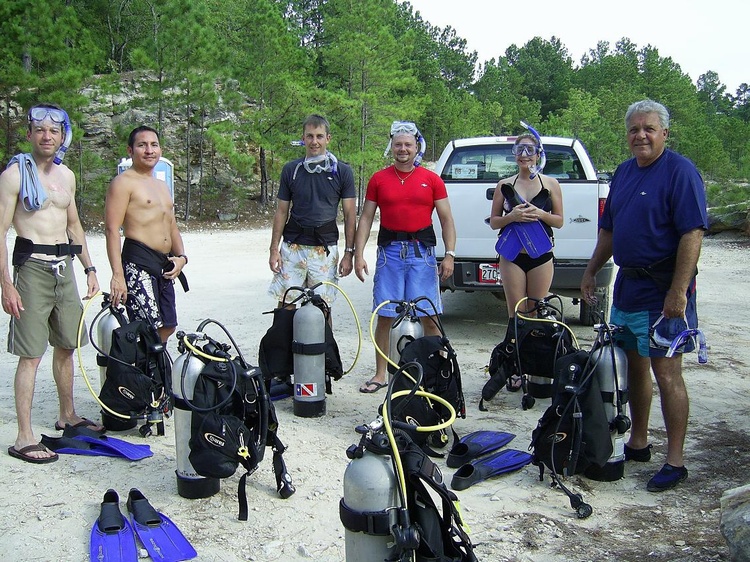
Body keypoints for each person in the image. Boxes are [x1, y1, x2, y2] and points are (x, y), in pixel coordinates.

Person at [581, 99, 708, 492]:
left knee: (667, 373)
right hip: (627, 288)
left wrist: (678, 291)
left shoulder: (680, 173)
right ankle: (638, 441)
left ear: (664, 133)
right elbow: (609, 232)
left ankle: (675, 460)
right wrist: (590, 271)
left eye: (649, 129)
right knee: (632, 366)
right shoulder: (622, 173)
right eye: (634, 129)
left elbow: (692, 234)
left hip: (663, 291)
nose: (641, 135)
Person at [0, 103, 102, 463]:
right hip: (31, 269)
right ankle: (24, 436)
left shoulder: (67, 176)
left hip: (65, 269)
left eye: (54, 131)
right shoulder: (14, 175)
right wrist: (6, 285)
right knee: (30, 355)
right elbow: (0, 233)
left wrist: (89, 268)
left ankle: (67, 415)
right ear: (28, 134)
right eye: (39, 130)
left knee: (66, 346)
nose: (47, 136)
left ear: (63, 136)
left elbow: (74, 225)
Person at [354, 121, 456, 393]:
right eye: (398, 144)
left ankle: (432, 373)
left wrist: (449, 255)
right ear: (392, 147)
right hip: (390, 255)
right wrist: (358, 253)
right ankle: (380, 374)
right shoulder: (379, 179)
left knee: (428, 315)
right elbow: (365, 218)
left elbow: (446, 220)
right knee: (385, 314)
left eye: (408, 145)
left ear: (416, 147)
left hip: (421, 254)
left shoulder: (432, 179)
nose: (402, 149)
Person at [488, 131, 563, 387]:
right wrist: (512, 217)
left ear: (539, 154)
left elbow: (560, 221)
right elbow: (494, 221)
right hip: (512, 257)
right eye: (519, 150)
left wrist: (540, 213)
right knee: (516, 313)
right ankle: (515, 367)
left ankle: (536, 366)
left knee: (537, 310)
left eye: (529, 150)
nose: (524, 155)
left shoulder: (550, 184)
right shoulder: (505, 185)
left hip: (541, 255)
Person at [105, 126, 188, 344]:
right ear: (130, 150)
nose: (149, 150)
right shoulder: (123, 183)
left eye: (154, 145)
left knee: (168, 326)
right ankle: (144, 374)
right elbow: (112, 230)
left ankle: (156, 375)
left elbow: (172, 225)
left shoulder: (162, 186)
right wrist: (117, 275)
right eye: (142, 145)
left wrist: (182, 258)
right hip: (138, 262)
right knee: (147, 328)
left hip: (164, 264)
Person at [268, 114, 356, 310]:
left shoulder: (342, 171)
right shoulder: (291, 170)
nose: (314, 141)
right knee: (286, 305)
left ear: (328, 138)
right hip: (293, 248)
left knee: (321, 307)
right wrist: (274, 249)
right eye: (309, 136)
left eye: (319, 136)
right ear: (303, 138)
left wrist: (349, 253)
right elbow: (281, 211)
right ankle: (283, 341)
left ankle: (323, 342)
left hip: (324, 250)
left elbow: (350, 215)